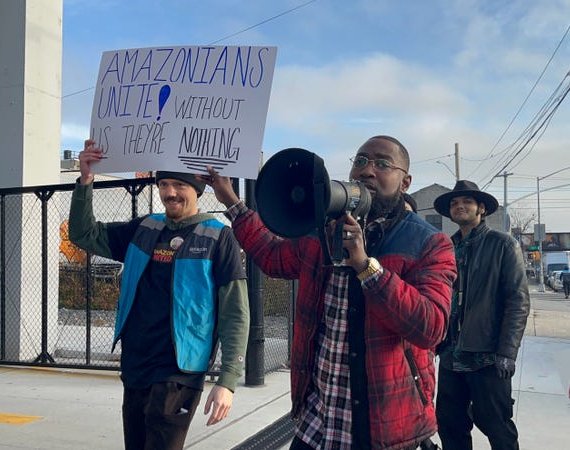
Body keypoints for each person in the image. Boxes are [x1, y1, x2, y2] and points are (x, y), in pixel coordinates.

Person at [203, 135, 456, 449]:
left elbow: (431, 327)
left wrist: (367, 267)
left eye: (382, 163)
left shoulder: (429, 244)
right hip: (317, 423)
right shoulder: (323, 230)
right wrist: (231, 200)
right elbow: (272, 256)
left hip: (384, 429)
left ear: (405, 182)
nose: (367, 171)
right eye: (360, 161)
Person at [68, 140, 250, 450]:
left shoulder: (218, 237)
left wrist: (228, 381)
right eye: (164, 184)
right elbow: (83, 234)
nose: (170, 192)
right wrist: (85, 181)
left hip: (179, 371)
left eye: (179, 184)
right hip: (136, 364)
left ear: (197, 190)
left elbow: (235, 312)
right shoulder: (144, 228)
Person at [432, 180, 530, 450]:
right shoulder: (445, 247)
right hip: (451, 354)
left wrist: (507, 351)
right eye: (454, 203)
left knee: (496, 425)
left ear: (481, 208)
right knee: (450, 425)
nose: (459, 206)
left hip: (488, 355)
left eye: (467, 201)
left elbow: (518, 300)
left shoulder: (503, 244)